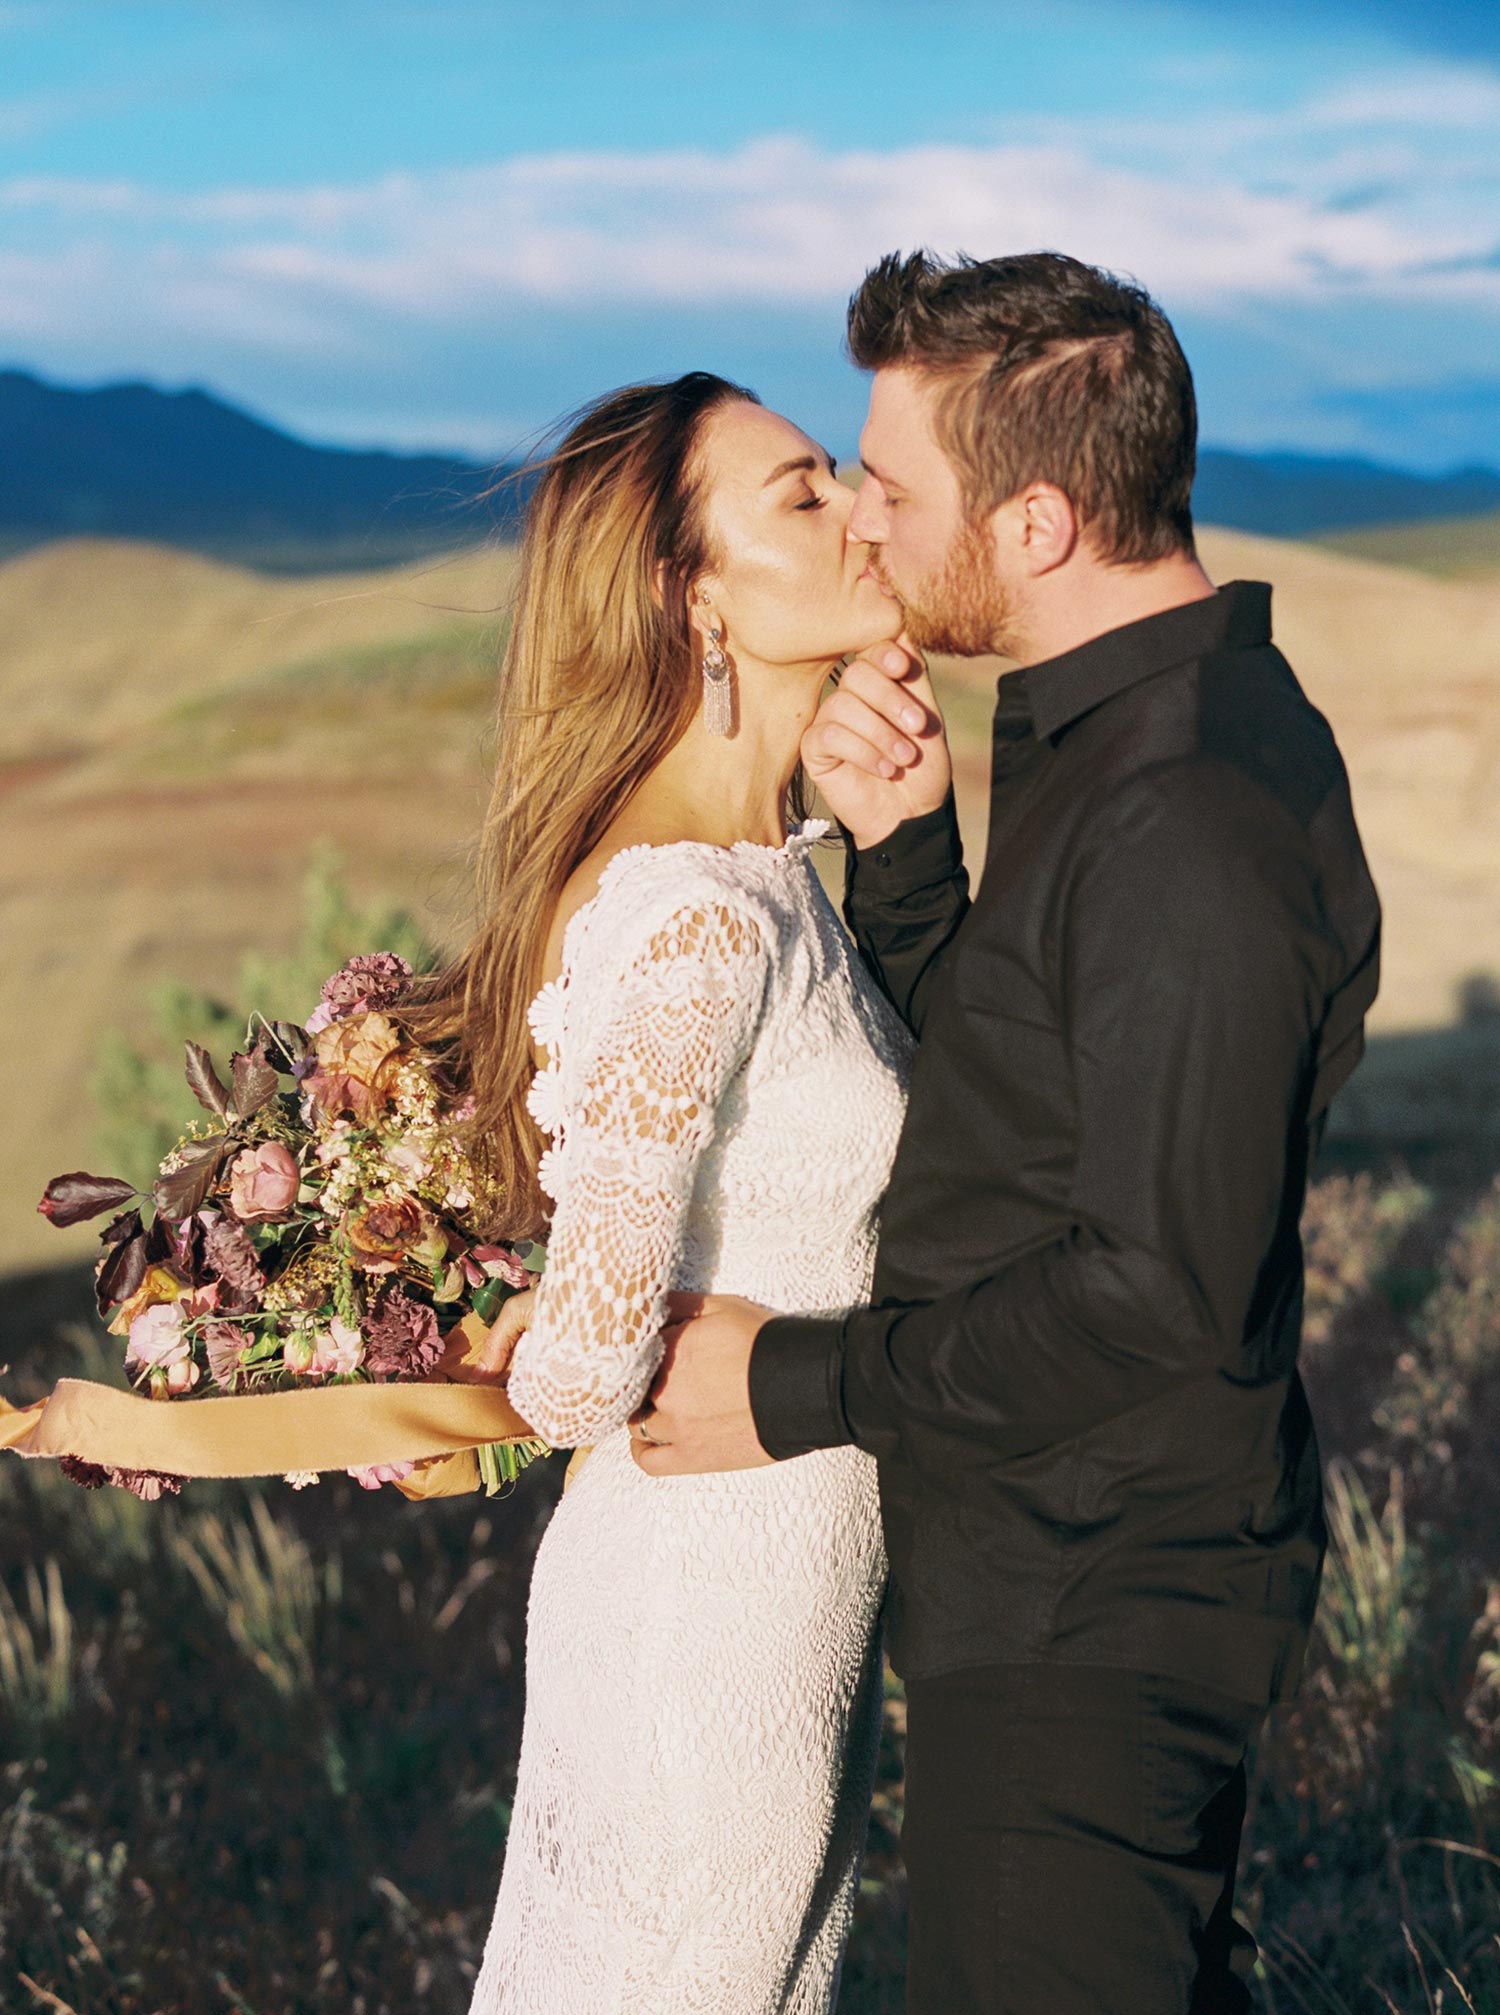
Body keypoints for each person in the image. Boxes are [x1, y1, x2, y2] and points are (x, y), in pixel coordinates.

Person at [643, 252, 1383, 2013]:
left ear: (1039, 523)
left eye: (895, 490)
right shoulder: (1111, 734)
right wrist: (909, 859)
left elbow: (1154, 1295)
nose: (868, 526)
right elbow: (1033, 1111)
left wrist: (797, 1386)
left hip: (1097, 1609)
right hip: (1045, 1568)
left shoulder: (1187, 814)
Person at [399, 371, 917, 2012]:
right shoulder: (693, 914)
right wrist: (403, 1385)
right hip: (705, 1605)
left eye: (837, 475)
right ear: (693, 599)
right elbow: (582, 1372)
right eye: (799, 495)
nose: (856, 510)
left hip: (797, 1564)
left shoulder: (782, 871)